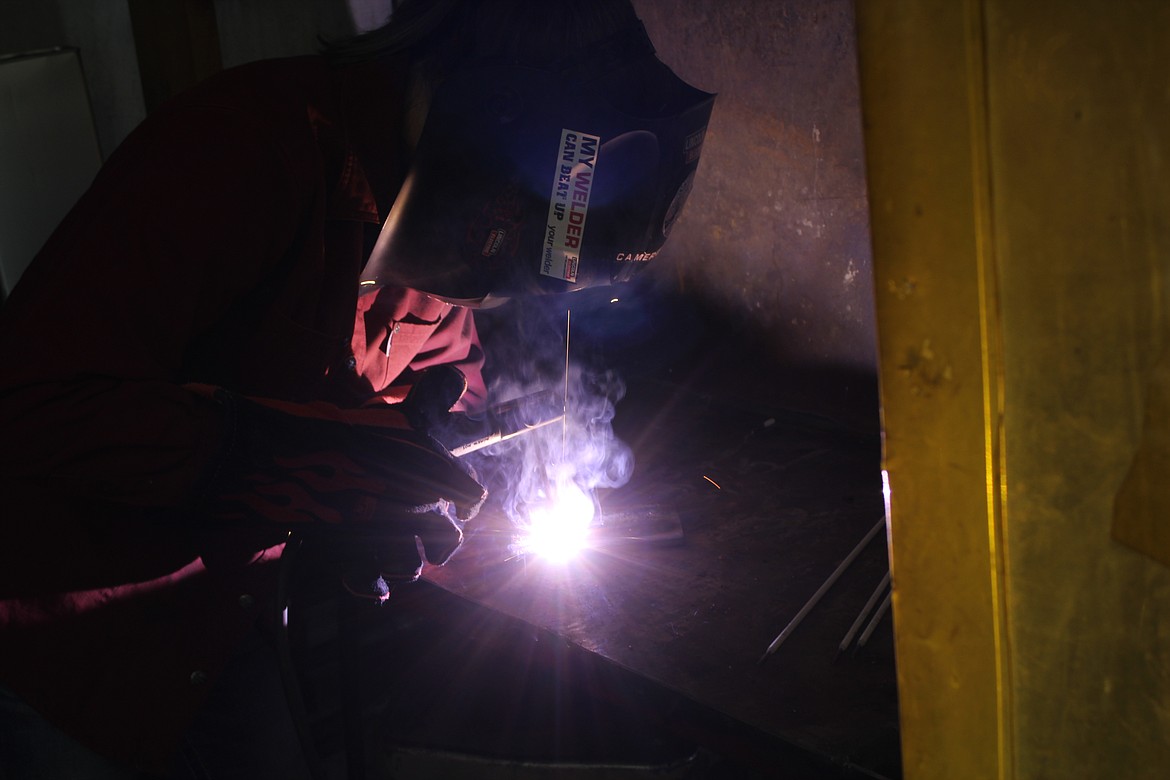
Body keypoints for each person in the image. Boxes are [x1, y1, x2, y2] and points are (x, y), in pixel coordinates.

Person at [0, 0, 714, 777]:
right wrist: (308, 468)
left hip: (221, 619)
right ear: (486, 136)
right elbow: (31, 403)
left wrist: (425, 458)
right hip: (60, 642)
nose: (492, 298)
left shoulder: (446, 226)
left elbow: (441, 379)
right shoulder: (239, 147)